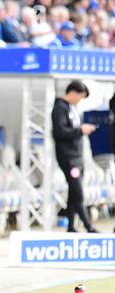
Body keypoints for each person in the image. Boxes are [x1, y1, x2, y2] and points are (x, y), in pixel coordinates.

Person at [52, 80, 98, 233]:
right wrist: (80, 130)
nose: (80, 100)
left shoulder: (73, 109)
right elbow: (59, 132)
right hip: (68, 158)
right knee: (78, 192)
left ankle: (71, 226)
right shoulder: (60, 109)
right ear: (72, 93)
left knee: (73, 193)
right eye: (80, 96)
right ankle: (88, 226)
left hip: (78, 157)